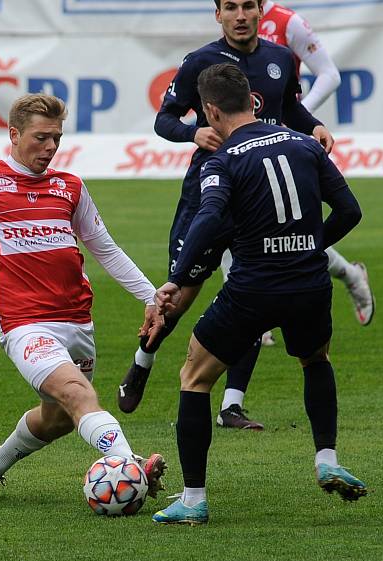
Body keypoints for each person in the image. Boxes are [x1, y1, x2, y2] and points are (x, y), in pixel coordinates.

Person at [0, 93, 167, 502]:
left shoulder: (69, 187)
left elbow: (104, 248)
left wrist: (149, 296)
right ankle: (129, 465)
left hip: (77, 321)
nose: (51, 147)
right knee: (79, 395)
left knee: (59, 418)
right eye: (41, 137)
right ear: (14, 134)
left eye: (56, 137)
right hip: (24, 323)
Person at [151, 63, 367, 525]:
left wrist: (178, 275)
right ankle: (326, 457)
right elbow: (350, 210)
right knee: (315, 360)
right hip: (309, 284)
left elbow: (208, 219)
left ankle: (193, 500)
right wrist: (309, 245)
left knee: (195, 375)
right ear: (252, 100)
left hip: (252, 287)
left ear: (209, 111)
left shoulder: (222, 159)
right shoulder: (304, 143)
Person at [117, 0, 334, 430]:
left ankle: (232, 403)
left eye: (247, 6)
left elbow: (289, 109)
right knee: (183, 292)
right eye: (230, 7)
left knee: (252, 287)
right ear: (218, 15)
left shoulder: (278, 59)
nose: (239, 15)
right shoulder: (201, 62)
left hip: (257, 196)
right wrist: (192, 132)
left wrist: (314, 126)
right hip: (211, 190)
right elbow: (165, 119)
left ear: (260, 11)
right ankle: (143, 361)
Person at [219, 0, 375, 345]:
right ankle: (256, 315)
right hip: (244, 143)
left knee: (289, 229)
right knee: (241, 226)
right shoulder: (234, 16)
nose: (241, 14)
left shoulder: (288, 22)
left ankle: (347, 276)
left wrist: (298, 116)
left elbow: (329, 74)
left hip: (283, 141)